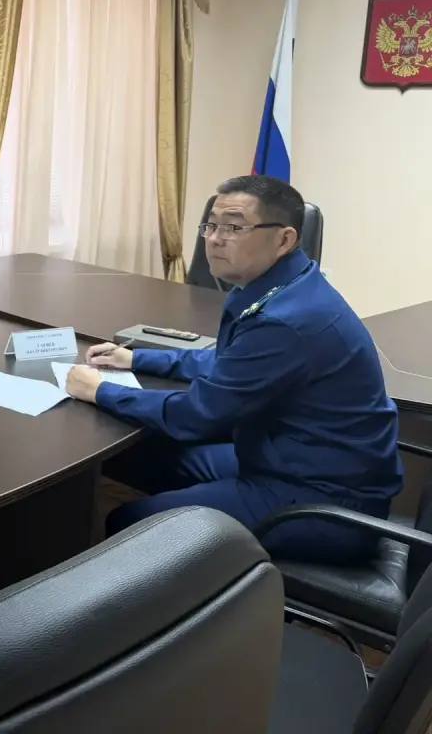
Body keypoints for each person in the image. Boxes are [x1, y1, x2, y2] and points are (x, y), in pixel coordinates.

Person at [65, 175, 402, 563]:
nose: (214, 239)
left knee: (130, 521)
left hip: (325, 502)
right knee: (140, 455)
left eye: (234, 227)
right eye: (210, 225)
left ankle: (189, 593)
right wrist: (137, 358)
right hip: (288, 455)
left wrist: (99, 390)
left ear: (284, 239)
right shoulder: (280, 286)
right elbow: (232, 362)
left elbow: (197, 416)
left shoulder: (287, 320)